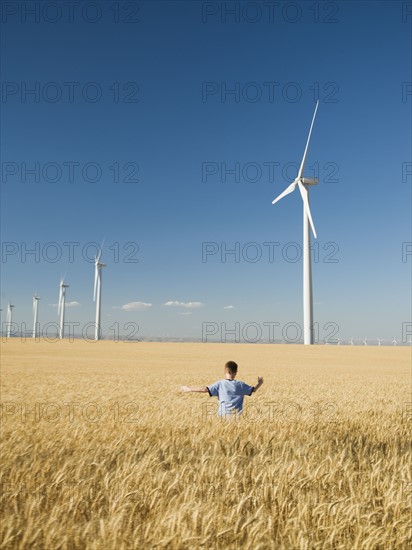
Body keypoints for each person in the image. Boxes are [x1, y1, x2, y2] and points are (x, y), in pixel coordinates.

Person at [180, 360, 263, 417]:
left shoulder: (220, 384)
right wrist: (259, 383)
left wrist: (189, 389)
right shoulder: (240, 384)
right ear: (236, 372)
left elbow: (205, 389)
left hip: (222, 417)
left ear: (224, 371)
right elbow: (253, 390)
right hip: (237, 417)